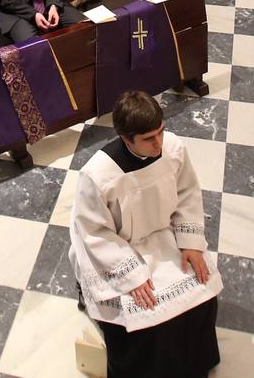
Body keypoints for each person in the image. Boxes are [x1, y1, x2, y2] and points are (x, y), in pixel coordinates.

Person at [69, 91, 220, 378]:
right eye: (149, 139)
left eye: (161, 132)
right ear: (126, 139)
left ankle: (194, 366)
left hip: (162, 236)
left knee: (203, 297)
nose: (158, 143)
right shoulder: (98, 174)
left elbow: (188, 193)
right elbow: (93, 232)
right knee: (148, 318)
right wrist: (131, 275)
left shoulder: (173, 148)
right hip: (113, 251)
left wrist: (190, 243)